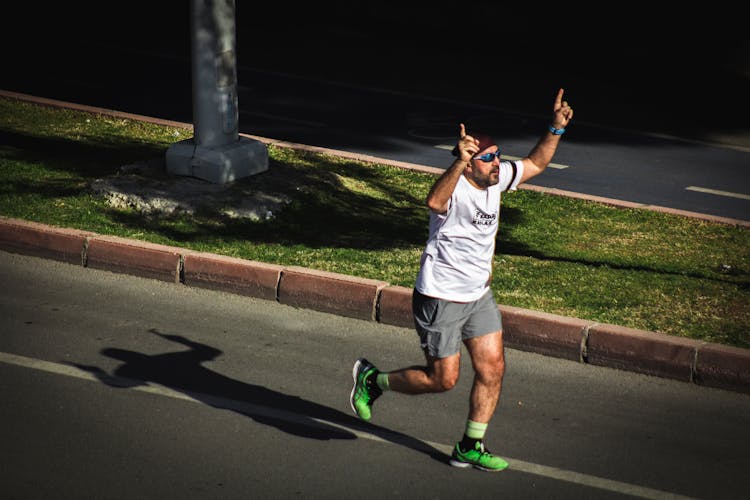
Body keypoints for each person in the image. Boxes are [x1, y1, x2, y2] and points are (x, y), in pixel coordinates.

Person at [350, 88, 574, 472]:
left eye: (497, 156)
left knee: (493, 368)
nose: (497, 163)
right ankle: (373, 381)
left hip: (478, 296)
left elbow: (536, 163)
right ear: (470, 164)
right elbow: (434, 203)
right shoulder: (455, 190)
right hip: (440, 297)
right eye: (488, 158)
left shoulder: (497, 180)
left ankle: (470, 445)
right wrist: (459, 162)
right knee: (443, 379)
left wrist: (555, 128)